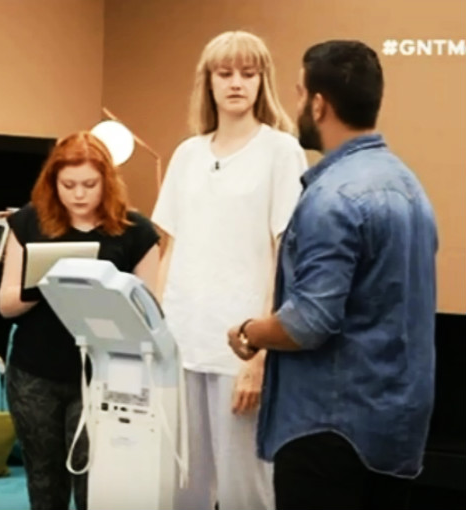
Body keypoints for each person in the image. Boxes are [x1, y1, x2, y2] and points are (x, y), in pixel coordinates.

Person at [228, 40, 438, 510]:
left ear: (319, 104)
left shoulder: (332, 198)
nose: (298, 105)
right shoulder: (410, 188)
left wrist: (249, 332)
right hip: (395, 428)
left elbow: (308, 323)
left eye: (300, 94)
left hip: (327, 430)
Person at [152, 30, 307, 510]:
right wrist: (155, 337)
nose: (236, 83)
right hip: (181, 345)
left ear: (263, 81)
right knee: (182, 490)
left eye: (248, 73)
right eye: (225, 73)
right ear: (209, 81)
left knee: (246, 492)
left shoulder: (281, 151)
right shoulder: (187, 154)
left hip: (241, 347)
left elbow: (285, 259)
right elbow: (171, 250)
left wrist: (260, 356)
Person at [0, 131, 160, 510]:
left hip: (104, 377)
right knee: (44, 481)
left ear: (107, 182)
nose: (79, 195)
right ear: (53, 183)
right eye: (68, 185)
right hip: (35, 374)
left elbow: (150, 312)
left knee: (96, 483)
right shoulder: (28, 222)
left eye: (89, 184)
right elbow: (6, 304)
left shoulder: (137, 232)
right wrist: (45, 283)